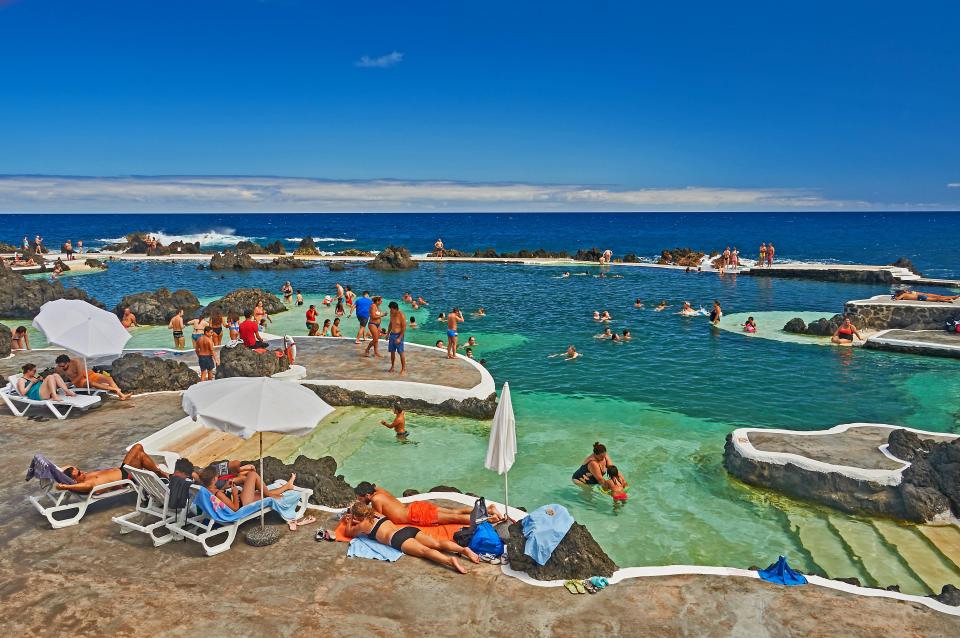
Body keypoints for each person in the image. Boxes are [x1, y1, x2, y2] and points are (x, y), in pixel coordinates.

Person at [341, 502, 478, 574]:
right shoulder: (376, 513)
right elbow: (371, 524)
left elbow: (348, 532)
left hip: (397, 539)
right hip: (407, 530)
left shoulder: (363, 524)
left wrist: (350, 520)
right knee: (437, 543)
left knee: (425, 552)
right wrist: (356, 518)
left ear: (357, 516)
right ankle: (463, 549)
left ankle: (450, 560)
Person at [198, 465, 315, 531]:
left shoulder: (207, 491)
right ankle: (277, 491)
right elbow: (234, 508)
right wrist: (234, 493)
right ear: (214, 480)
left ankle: (286, 486)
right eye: (217, 477)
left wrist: (226, 487)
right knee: (252, 475)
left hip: (239, 500)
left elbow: (222, 499)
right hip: (241, 505)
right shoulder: (218, 494)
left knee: (261, 494)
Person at [354, 482, 501, 526]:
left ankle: (489, 518)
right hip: (415, 507)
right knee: (454, 512)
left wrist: (359, 517)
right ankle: (488, 509)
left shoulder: (375, 500)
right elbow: (375, 486)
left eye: (360, 498)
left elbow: (378, 517)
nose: (361, 501)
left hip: (415, 515)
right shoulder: (380, 492)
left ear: (367, 495)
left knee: (454, 518)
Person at [56, 443, 167, 493]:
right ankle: (160, 473)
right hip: (126, 477)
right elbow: (86, 486)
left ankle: (156, 471)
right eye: (79, 473)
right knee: (139, 452)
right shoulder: (86, 484)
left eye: (79, 470)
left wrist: (57, 472)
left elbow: (69, 467)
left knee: (139, 450)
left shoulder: (82, 478)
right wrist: (65, 487)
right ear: (75, 481)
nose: (82, 472)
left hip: (123, 470)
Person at [55, 354, 132, 400]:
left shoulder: (76, 362)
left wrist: (70, 383)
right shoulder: (58, 368)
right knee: (91, 383)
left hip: (89, 375)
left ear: (68, 362)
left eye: (63, 366)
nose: (62, 368)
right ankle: (116, 389)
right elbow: (57, 378)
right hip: (79, 381)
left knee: (109, 379)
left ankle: (121, 395)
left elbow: (80, 374)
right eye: (60, 366)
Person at [387, 301, 407, 374]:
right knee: (392, 352)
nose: (390, 310)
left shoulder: (401, 315)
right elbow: (390, 324)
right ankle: (392, 366)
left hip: (399, 335)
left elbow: (404, 327)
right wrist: (387, 333)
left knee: (401, 352)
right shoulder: (391, 314)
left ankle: (403, 368)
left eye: (391, 309)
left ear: (396, 309)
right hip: (392, 334)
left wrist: (399, 338)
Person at [893, 290, 960, 303]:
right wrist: (896, 296)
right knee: (936, 298)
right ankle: (949, 299)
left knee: (936, 299)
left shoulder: (904, 295)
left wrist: (895, 297)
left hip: (920, 297)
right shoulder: (905, 294)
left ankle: (950, 298)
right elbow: (898, 298)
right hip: (920, 296)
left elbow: (897, 299)